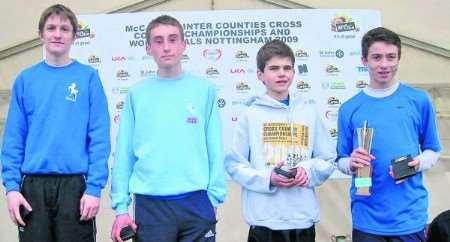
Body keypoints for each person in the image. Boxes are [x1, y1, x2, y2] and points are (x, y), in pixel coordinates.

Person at [110, 15, 226, 242]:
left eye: (172, 39)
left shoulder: (205, 90)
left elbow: (215, 148)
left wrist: (213, 198)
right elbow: (123, 155)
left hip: (197, 203)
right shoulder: (136, 94)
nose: (166, 47)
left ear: (183, 45)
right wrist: (121, 208)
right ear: (148, 48)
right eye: (158, 41)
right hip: (151, 206)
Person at [0, 4, 110, 242]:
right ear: (41, 34)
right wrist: (11, 188)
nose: (57, 34)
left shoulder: (88, 78)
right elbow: (13, 139)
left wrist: (93, 189)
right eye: (51, 28)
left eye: (64, 28)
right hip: (32, 187)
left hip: (75, 188)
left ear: (74, 36)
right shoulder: (25, 80)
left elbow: (99, 138)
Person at [225, 39, 336, 242]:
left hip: (303, 221)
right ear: (260, 75)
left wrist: (307, 170)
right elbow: (234, 165)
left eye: (287, 68)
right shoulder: (250, 115)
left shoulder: (309, 111)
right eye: (274, 68)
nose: (282, 73)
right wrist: (268, 179)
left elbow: (327, 159)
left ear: (294, 72)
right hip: (264, 222)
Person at [336, 27, 441, 241]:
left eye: (391, 57)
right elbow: (340, 160)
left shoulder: (418, 101)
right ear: (364, 60)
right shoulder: (349, 108)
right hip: (367, 217)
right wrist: (351, 162)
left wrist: (416, 164)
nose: (384, 64)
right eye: (376, 57)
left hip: (409, 216)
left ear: (398, 58)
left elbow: (433, 151)